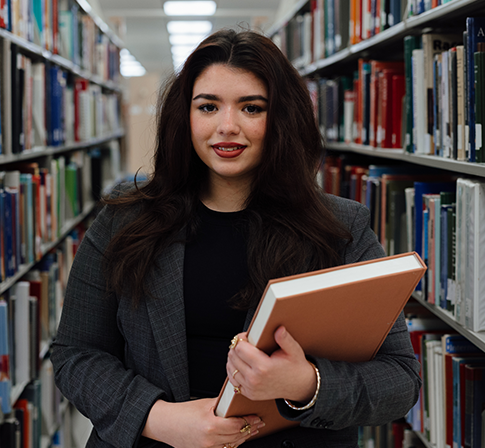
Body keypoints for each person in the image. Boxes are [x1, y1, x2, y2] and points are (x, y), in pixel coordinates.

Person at [51, 29, 421, 448]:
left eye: (252, 108)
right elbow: (76, 354)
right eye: (208, 106)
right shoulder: (124, 221)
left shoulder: (340, 229)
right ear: (184, 117)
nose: (227, 127)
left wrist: (306, 383)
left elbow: (399, 380)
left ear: (281, 118)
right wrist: (160, 419)